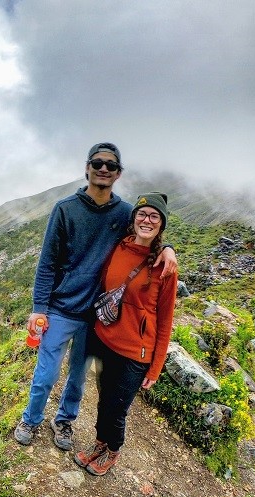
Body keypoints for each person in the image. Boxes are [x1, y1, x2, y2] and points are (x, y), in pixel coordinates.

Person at [13, 143, 177, 449]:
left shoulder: (126, 212)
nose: (103, 169)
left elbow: (151, 231)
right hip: (61, 309)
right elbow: (47, 261)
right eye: (98, 163)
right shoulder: (65, 209)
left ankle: (63, 422)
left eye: (110, 166)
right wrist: (39, 308)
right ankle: (31, 419)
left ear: (118, 174)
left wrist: (169, 249)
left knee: (77, 378)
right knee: (46, 375)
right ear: (87, 168)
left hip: (95, 316)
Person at [74, 192, 177, 476]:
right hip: (105, 339)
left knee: (117, 408)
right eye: (142, 214)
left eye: (154, 216)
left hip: (135, 352)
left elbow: (166, 320)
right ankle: (99, 444)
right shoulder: (120, 246)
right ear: (133, 219)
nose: (147, 220)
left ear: (161, 225)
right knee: (103, 398)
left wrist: (155, 368)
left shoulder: (166, 267)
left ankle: (113, 451)